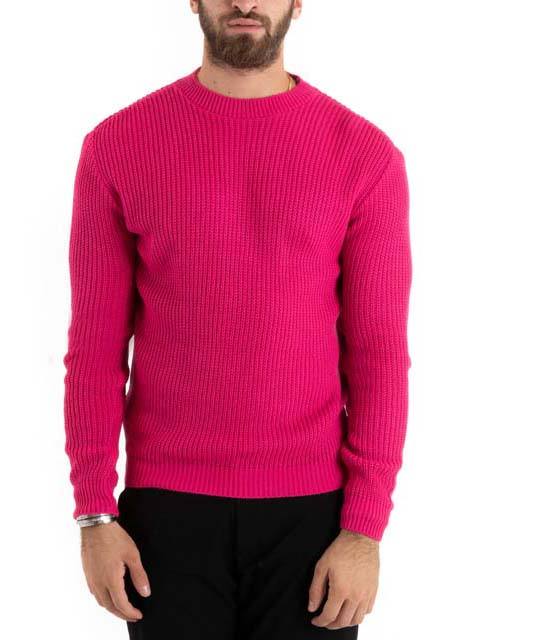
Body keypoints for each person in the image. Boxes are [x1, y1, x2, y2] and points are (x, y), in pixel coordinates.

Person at [62, 1, 412, 638]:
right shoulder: (118, 146)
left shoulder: (365, 154)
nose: (246, 2)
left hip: (315, 519)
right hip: (164, 515)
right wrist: (94, 515)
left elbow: (378, 352)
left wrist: (364, 529)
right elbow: (95, 350)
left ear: (297, 2)